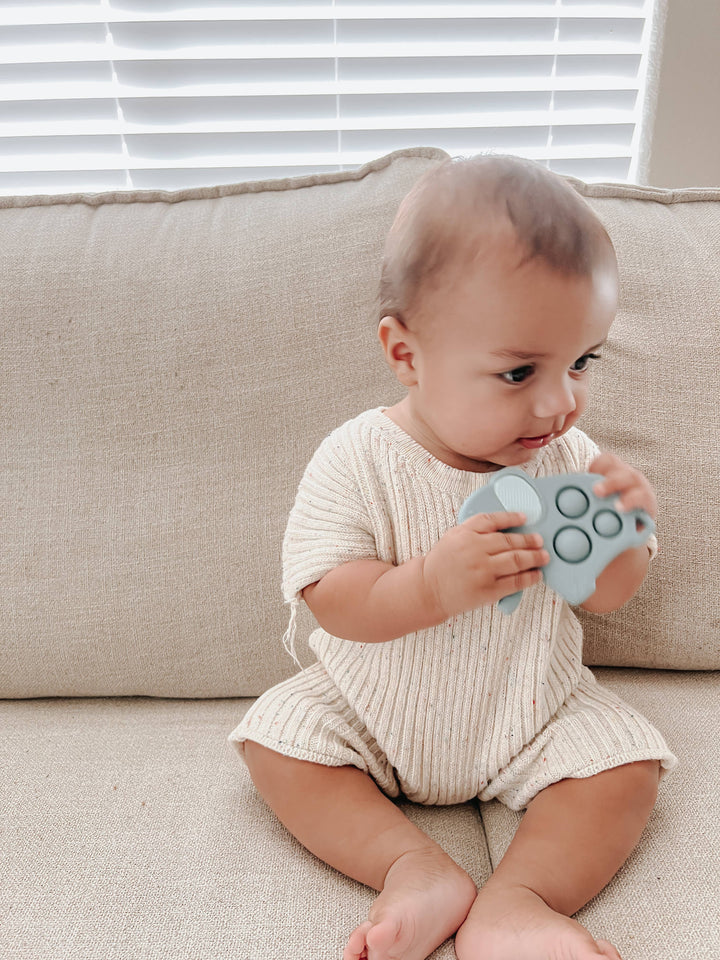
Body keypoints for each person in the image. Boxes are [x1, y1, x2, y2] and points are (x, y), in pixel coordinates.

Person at [228, 155, 677, 960]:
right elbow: (329, 595)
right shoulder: (359, 457)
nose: (560, 402)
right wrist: (428, 587)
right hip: (371, 711)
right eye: (519, 371)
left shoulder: (567, 459)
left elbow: (607, 594)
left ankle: (519, 902)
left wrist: (623, 536)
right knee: (275, 744)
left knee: (628, 769)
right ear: (407, 355)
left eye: (582, 361)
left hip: (530, 711)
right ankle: (413, 868)